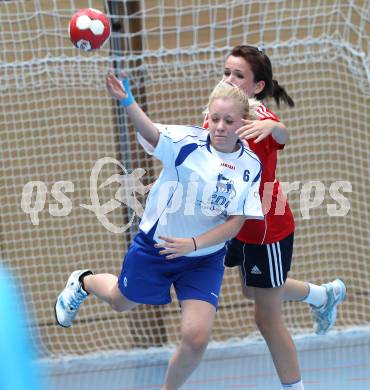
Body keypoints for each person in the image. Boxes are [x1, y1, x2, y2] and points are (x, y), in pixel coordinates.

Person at [55, 74, 264, 390]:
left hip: (203, 258)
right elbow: (151, 133)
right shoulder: (186, 144)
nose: (220, 126)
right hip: (158, 248)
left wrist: (193, 245)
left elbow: (235, 223)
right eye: (216, 118)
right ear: (207, 117)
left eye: (229, 120)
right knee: (120, 301)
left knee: (196, 338)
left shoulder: (250, 164)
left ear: (242, 123)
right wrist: (128, 102)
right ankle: (82, 281)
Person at [202, 45, 347, 390]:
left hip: (266, 228)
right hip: (234, 223)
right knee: (255, 292)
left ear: (257, 86)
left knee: (266, 318)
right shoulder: (215, 116)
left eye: (239, 75)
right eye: (226, 73)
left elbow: (282, 132)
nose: (230, 80)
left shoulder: (258, 119)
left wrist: (275, 126)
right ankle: (322, 295)